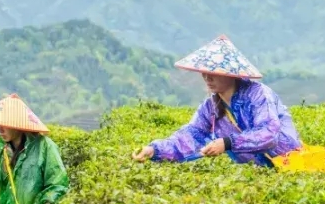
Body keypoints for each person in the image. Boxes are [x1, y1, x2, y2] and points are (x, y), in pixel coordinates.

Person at [131, 35, 307, 167]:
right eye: (204, 72)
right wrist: (154, 150)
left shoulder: (258, 94)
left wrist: (227, 143)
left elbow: (269, 134)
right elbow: (190, 136)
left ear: (230, 73)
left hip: (290, 164)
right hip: (259, 172)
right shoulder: (210, 108)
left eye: (214, 72)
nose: (207, 77)